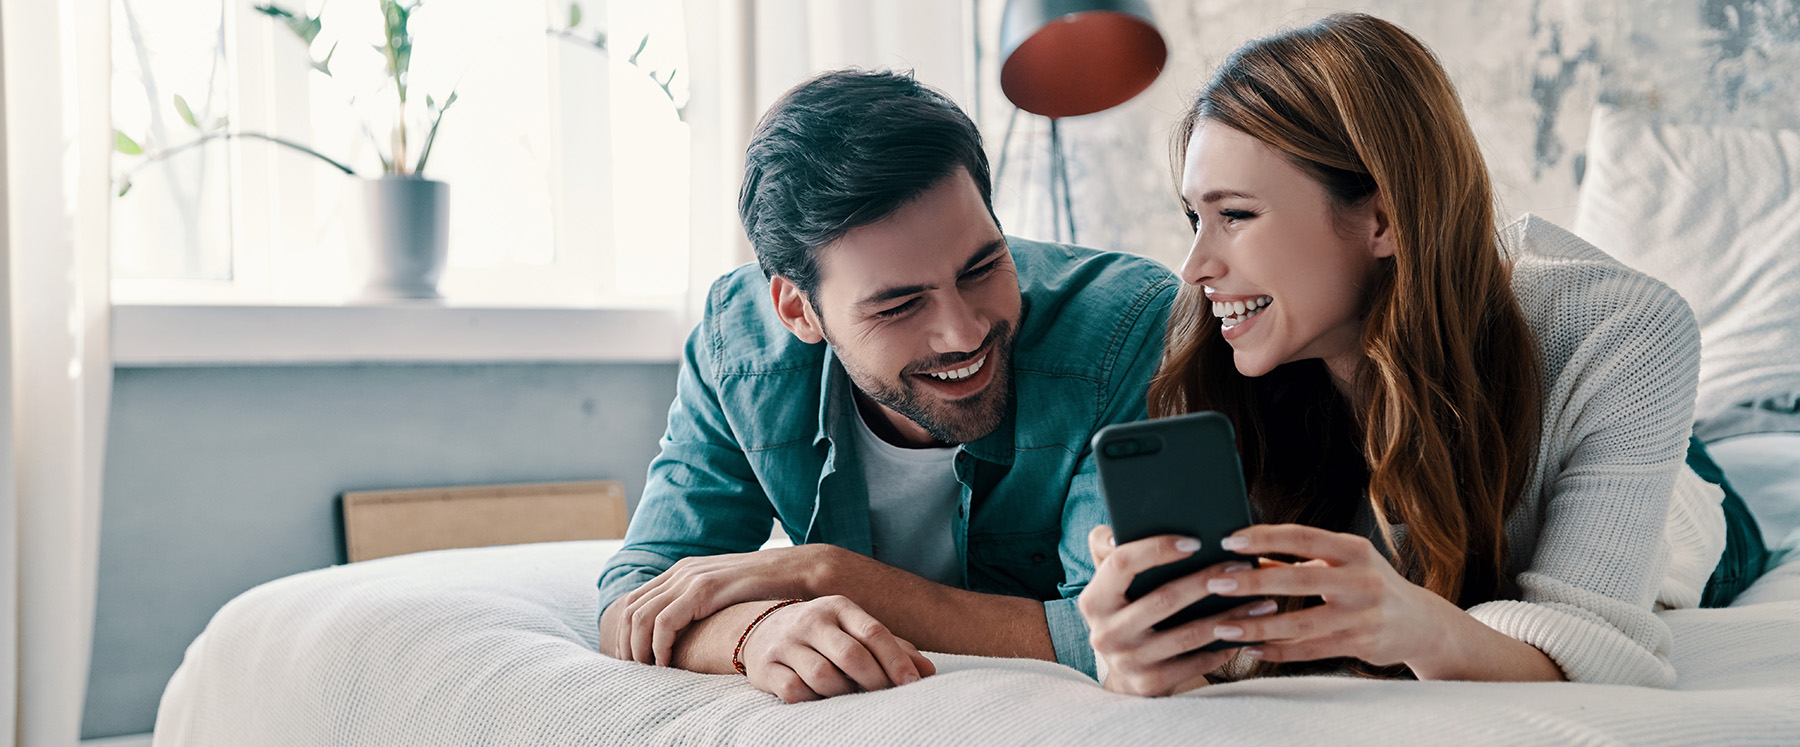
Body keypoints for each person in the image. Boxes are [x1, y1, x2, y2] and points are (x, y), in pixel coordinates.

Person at [1077, 12, 1769, 696]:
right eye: (1194, 218)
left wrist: (1422, 627)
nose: (1196, 264)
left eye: (1235, 216)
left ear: (1381, 218)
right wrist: (1131, 656)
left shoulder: (1623, 331)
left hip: (1678, 513)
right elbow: (1238, 647)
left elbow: (1597, 648)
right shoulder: (1232, 341)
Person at [596, 69, 1177, 703]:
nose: (962, 332)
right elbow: (637, 594)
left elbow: (1131, 628)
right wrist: (757, 631)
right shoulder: (738, 347)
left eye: (982, 266)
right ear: (799, 311)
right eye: (898, 306)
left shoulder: (1127, 326)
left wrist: (826, 574)